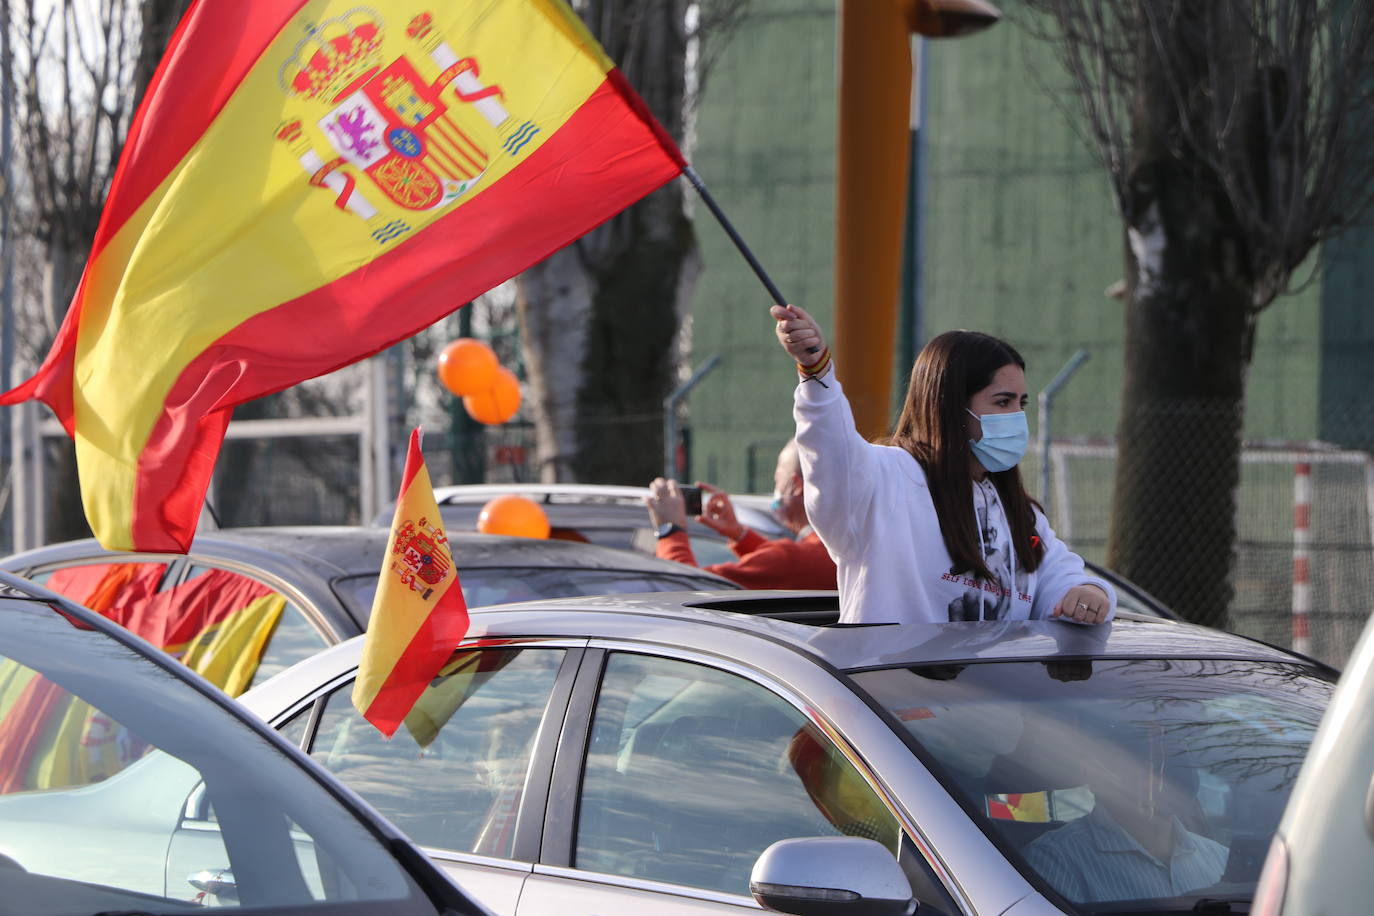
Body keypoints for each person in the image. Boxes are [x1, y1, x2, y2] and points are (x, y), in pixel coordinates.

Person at [770, 304, 1115, 625]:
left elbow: (1060, 577)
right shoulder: (886, 480)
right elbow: (832, 452)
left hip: (992, 690)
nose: (1017, 417)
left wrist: (1088, 595)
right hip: (886, 689)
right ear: (950, 407)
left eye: (1020, 403)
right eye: (1002, 401)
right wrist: (817, 373)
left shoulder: (1020, 515)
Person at [1023, 723, 1228, 903]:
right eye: (1152, 761)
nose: (1165, 775)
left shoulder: (1219, 857)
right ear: (1099, 776)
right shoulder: (1056, 860)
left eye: (1175, 756)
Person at [643, 440, 838, 590]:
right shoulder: (844, 548)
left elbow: (686, 587)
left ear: (795, 486)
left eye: (777, 480)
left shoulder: (792, 561)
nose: (776, 489)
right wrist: (740, 535)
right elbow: (790, 565)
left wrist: (670, 530)